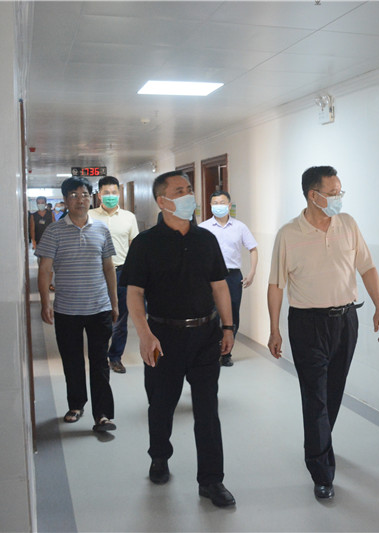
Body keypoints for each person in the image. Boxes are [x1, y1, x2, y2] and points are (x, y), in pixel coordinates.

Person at [267, 165, 379, 501]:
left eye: (340, 192)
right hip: (307, 324)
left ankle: (320, 444)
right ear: (313, 195)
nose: (339, 198)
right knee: (315, 397)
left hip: (346, 321)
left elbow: (367, 267)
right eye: (333, 193)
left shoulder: (348, 224)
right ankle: (321, 471)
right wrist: (274, 329)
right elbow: (276, 284)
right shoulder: (288, 234)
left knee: (333, 391)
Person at [122, 170, 236, 508]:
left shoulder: (206, 240)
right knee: (161, 405)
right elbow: (134, 293)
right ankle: (159, 456)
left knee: (208, 410)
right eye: (179, 191)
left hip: (205, 335)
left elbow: (219, 286)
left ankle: (211, 480)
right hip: (163, 337)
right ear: (162, 201)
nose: (188, 195)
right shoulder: (145, 243)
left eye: (189, 189)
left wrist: (228, 327)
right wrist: (145, 335)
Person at [36, 176, 119, 433]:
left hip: (99, 307)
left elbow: (108, 268)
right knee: (72, 361)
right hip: (67, 309)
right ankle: (76, 405)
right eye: (73, 195)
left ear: (90, 198)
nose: (80, 200)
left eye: (84, 195)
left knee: (100, 362)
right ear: (65, 200)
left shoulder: (102, 229)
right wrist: (45, 303)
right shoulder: (54, 231)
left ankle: (103, 414)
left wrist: (114, 302)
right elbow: (45, 269)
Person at [198, 190, 258, 367]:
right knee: (211, 313)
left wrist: (252, 272)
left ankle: (226, 353)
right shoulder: (203, 228)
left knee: (232, 314)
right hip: (210, 277)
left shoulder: (240, 227)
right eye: (215, 203)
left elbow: (253, 249)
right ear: (210, 206)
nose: (219, 206)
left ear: (229, 205)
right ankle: (211, 351)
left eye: (222, 203)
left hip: (232, 276)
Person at [89, 176, 140, 374]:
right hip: (96, 274)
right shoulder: (90, 216)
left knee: (120, 319)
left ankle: (115, 357)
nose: (110, 196)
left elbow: (135, 248)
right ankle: (99, 355)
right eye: (106, 193)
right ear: (99, 195)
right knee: (98, 317)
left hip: (122, 273)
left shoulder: (129, 217)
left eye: (114, 192)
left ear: (119, 194)